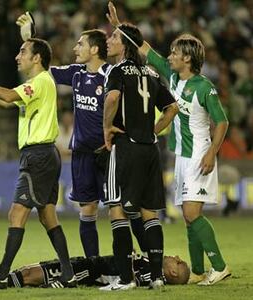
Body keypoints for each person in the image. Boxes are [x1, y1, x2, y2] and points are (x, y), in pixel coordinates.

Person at [107, 1, 231, 286]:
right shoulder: (172, 77)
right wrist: (118, 25)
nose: (170, 55)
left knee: (190, 213)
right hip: (181, 155)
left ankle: (220, 266)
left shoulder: (204, 87)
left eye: (175, 52)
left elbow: (222, 122)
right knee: (189, 217)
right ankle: (199, 270)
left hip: (200, 151)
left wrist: (213, 151)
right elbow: (142, 47)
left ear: (188, 58)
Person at [16, 13, 149, 259]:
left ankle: (138, 260)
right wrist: (30, 39)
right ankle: (94, 266)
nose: (75, 48)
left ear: (95, 49)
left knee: (119, 209)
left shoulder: (113, 74)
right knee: (87, 210)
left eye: (80, 44)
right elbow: (41, 70)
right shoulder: (76, 73)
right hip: (82, 154)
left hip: (108, 153)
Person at [0, 38, 75, 289]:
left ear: (37, 58)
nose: (17, 56)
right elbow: (5, 101)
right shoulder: (36, 85)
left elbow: (8, 96)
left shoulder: (40, 82)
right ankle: (68, 273)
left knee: (16, 212)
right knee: (47, 215)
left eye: (22, 52)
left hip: (38, 156)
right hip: (45, 154)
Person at [101, 22, 179, 291]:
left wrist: (106, 128)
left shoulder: (118, 70)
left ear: (124, 45)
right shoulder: (151, 72)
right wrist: (152, 130)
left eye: (113, 37)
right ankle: (156, 277)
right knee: (150, 212)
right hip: (149, 150)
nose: (108, 41)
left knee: (117, 209)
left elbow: (112, 99)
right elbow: (172, 108)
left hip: (126, 147)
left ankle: (125, 279)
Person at [0, 253, 190, 289]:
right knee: (29, 270)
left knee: (31, 275)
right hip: (87, 262)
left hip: (89, 271)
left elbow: (132, 281)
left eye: (179, 263)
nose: (176, 258)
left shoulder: (150, 274)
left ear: (174, 275)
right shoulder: (151, 261)